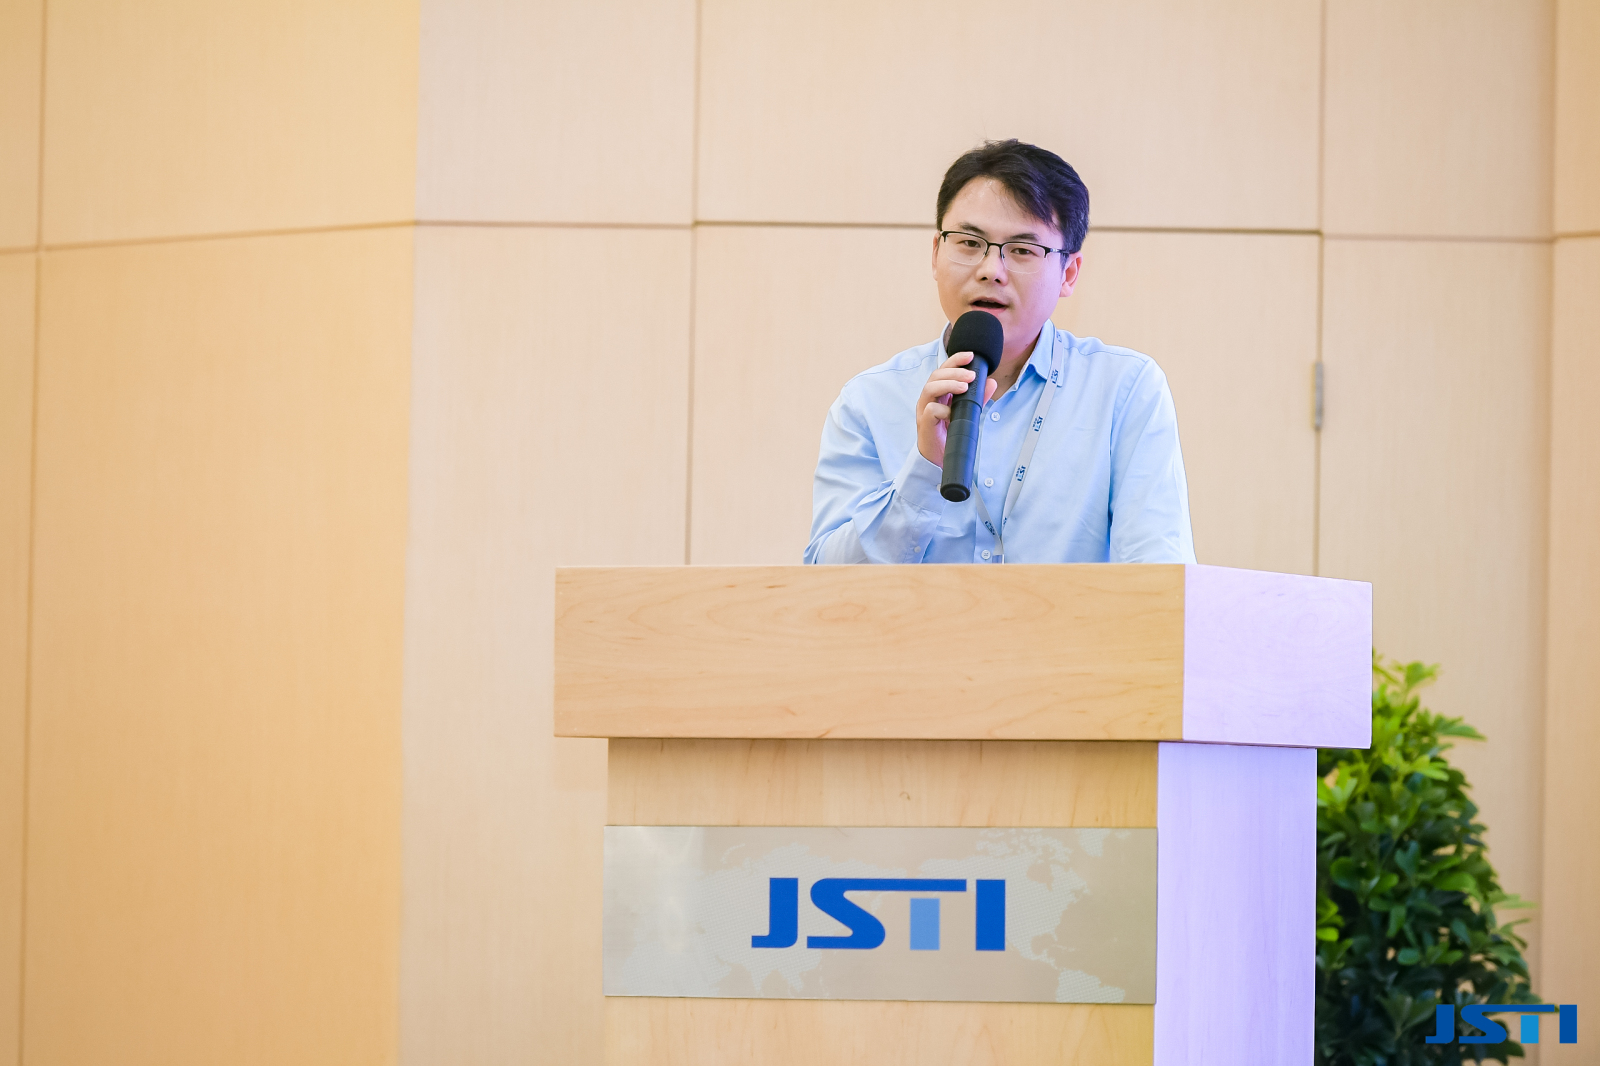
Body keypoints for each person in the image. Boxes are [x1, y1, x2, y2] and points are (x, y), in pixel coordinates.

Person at [805, 139, 1196, 566]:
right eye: (969, 243)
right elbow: (826, 582)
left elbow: (1159, 574)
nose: (991, 270)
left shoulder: (1125, 391)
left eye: (1022, 250)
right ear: (935, 254)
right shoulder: (868, 401)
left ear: (1068, 273)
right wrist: (923, 470)